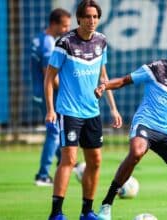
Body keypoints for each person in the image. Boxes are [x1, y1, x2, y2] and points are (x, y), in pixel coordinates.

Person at [94, 36, 167, 220]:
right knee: (137, 152)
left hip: (165, 132)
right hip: (145, 124)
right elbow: (123, 80)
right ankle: (106, 205)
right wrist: (104, 86)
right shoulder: (156, 68)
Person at [44, 1, 122, 219]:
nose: (92, 21)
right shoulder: (65, 42)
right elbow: (49, 78)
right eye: (88, 16)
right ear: (79, 18)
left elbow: (103, 77)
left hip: (92, 112)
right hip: (68, 112)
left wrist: (113, 109)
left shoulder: (101, 41)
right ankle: (56, 213)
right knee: (68, 159)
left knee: (95, 161)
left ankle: (87, 211)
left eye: (95, 16)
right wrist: (50, 109)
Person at [31, 8, 71, 187]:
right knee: (54, 132)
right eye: (64, 26)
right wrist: (67, 90)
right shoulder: (48, 43)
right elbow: (50, 75)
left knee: (56, 131)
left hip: (38, 92)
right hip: (46, 94)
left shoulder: (40, 38)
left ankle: (68, 163)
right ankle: (42, 175)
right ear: (54, 24)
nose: (66, 29)